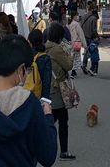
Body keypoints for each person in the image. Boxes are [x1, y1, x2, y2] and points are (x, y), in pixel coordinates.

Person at [0, 34, 57, 167]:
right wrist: (48, 117)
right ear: (21, 69)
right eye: (28, 70)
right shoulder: (31, 105)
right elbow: (48, 156)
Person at [46, 21, 75, 161]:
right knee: (62, 121)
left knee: (53, 118)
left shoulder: (46, 46)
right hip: (57, 88)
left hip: (48, 88)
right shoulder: (57, 49)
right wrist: (69, 53)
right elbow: (69, 65)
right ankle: (63, 151)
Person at [27, 29, 52, 100]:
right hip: (39, 94)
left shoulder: (26, 55)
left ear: (30, 41)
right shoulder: (45, 58)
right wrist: (45, 99)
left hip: (27, 92)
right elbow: (46, 82)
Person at [80, 6, 97, 74]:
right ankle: (93, 68)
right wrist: (96, 37)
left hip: (84, 36)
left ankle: (84, 64)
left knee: (86, 51)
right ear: (92, 10)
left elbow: (81, 25)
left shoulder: (83, 17)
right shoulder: (94, 18)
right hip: (91, 37)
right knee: (93, 52)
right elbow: (94, 29)